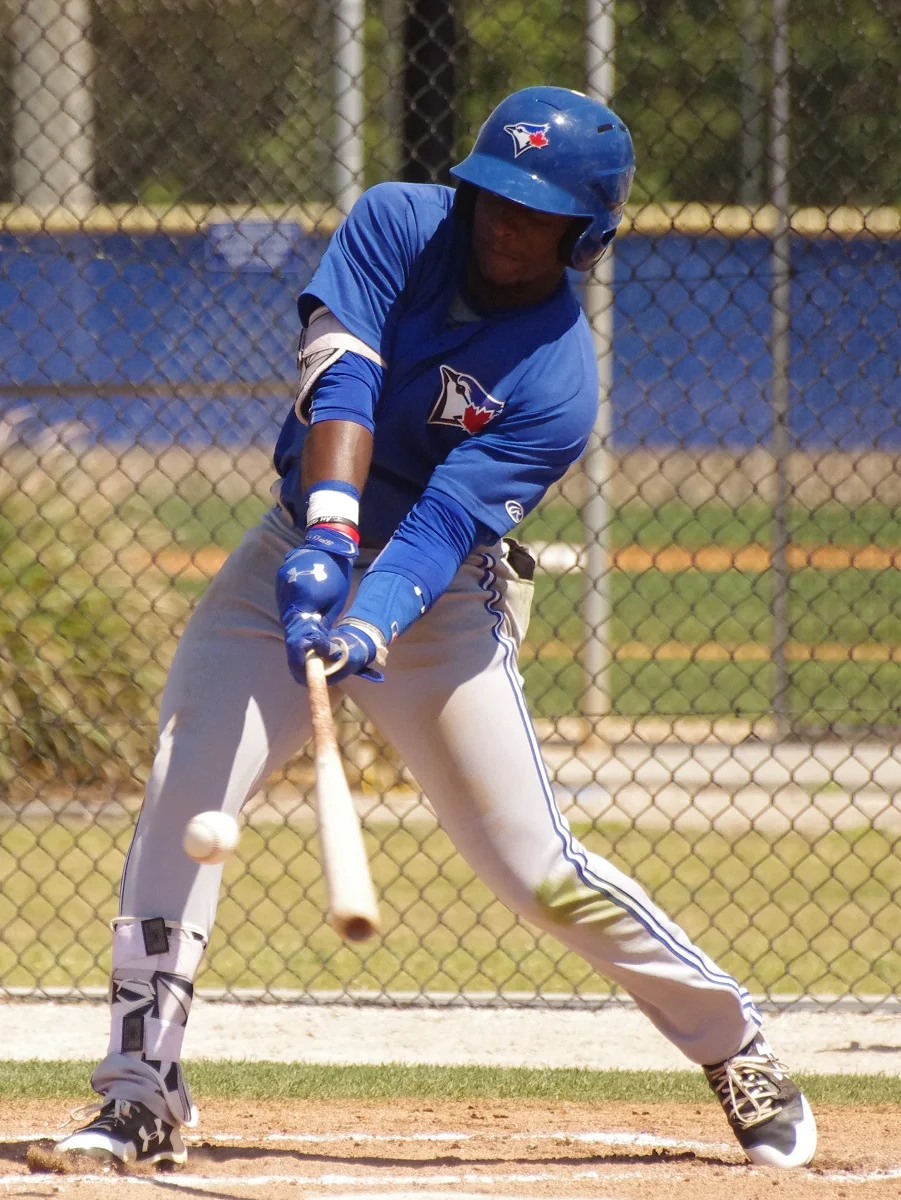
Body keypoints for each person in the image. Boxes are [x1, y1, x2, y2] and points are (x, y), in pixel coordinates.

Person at [53, 85, 816, 1170]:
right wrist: (326, 535)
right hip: (292, 549)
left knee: (535, 870)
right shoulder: (395, 223)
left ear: (586, 235)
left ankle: (732, 1042)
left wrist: (366, 626)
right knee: (187, 795)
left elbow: (444, 526)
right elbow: (341, 380)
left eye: (538, 211)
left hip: (440, 598)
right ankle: (140, 1090)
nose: (507, 222)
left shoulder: (557, 379)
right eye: (496, 195)